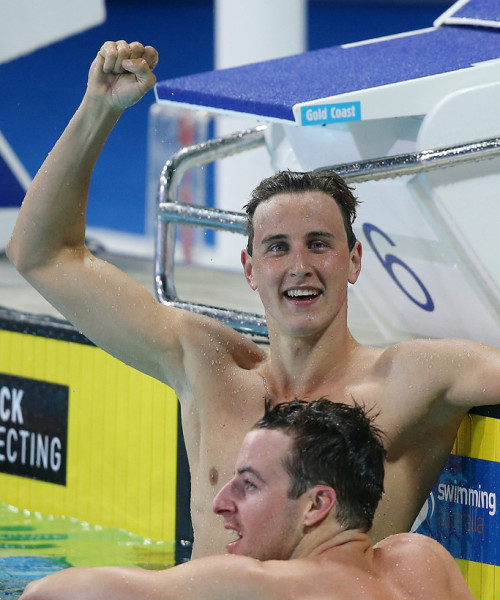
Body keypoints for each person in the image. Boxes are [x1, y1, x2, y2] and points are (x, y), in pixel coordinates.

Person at [6, 41, 500, 559]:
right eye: (277, 248)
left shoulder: (410, 378)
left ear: (354, 260)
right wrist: (97, 111)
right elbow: (42, 255)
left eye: (319, 244)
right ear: (249, 269)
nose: (300, 266)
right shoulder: (209, 366)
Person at [15, 399, 493, 600]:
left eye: (247, 485)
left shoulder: (253, 589)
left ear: (316, 506)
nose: (220, 504)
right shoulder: (426, 561)